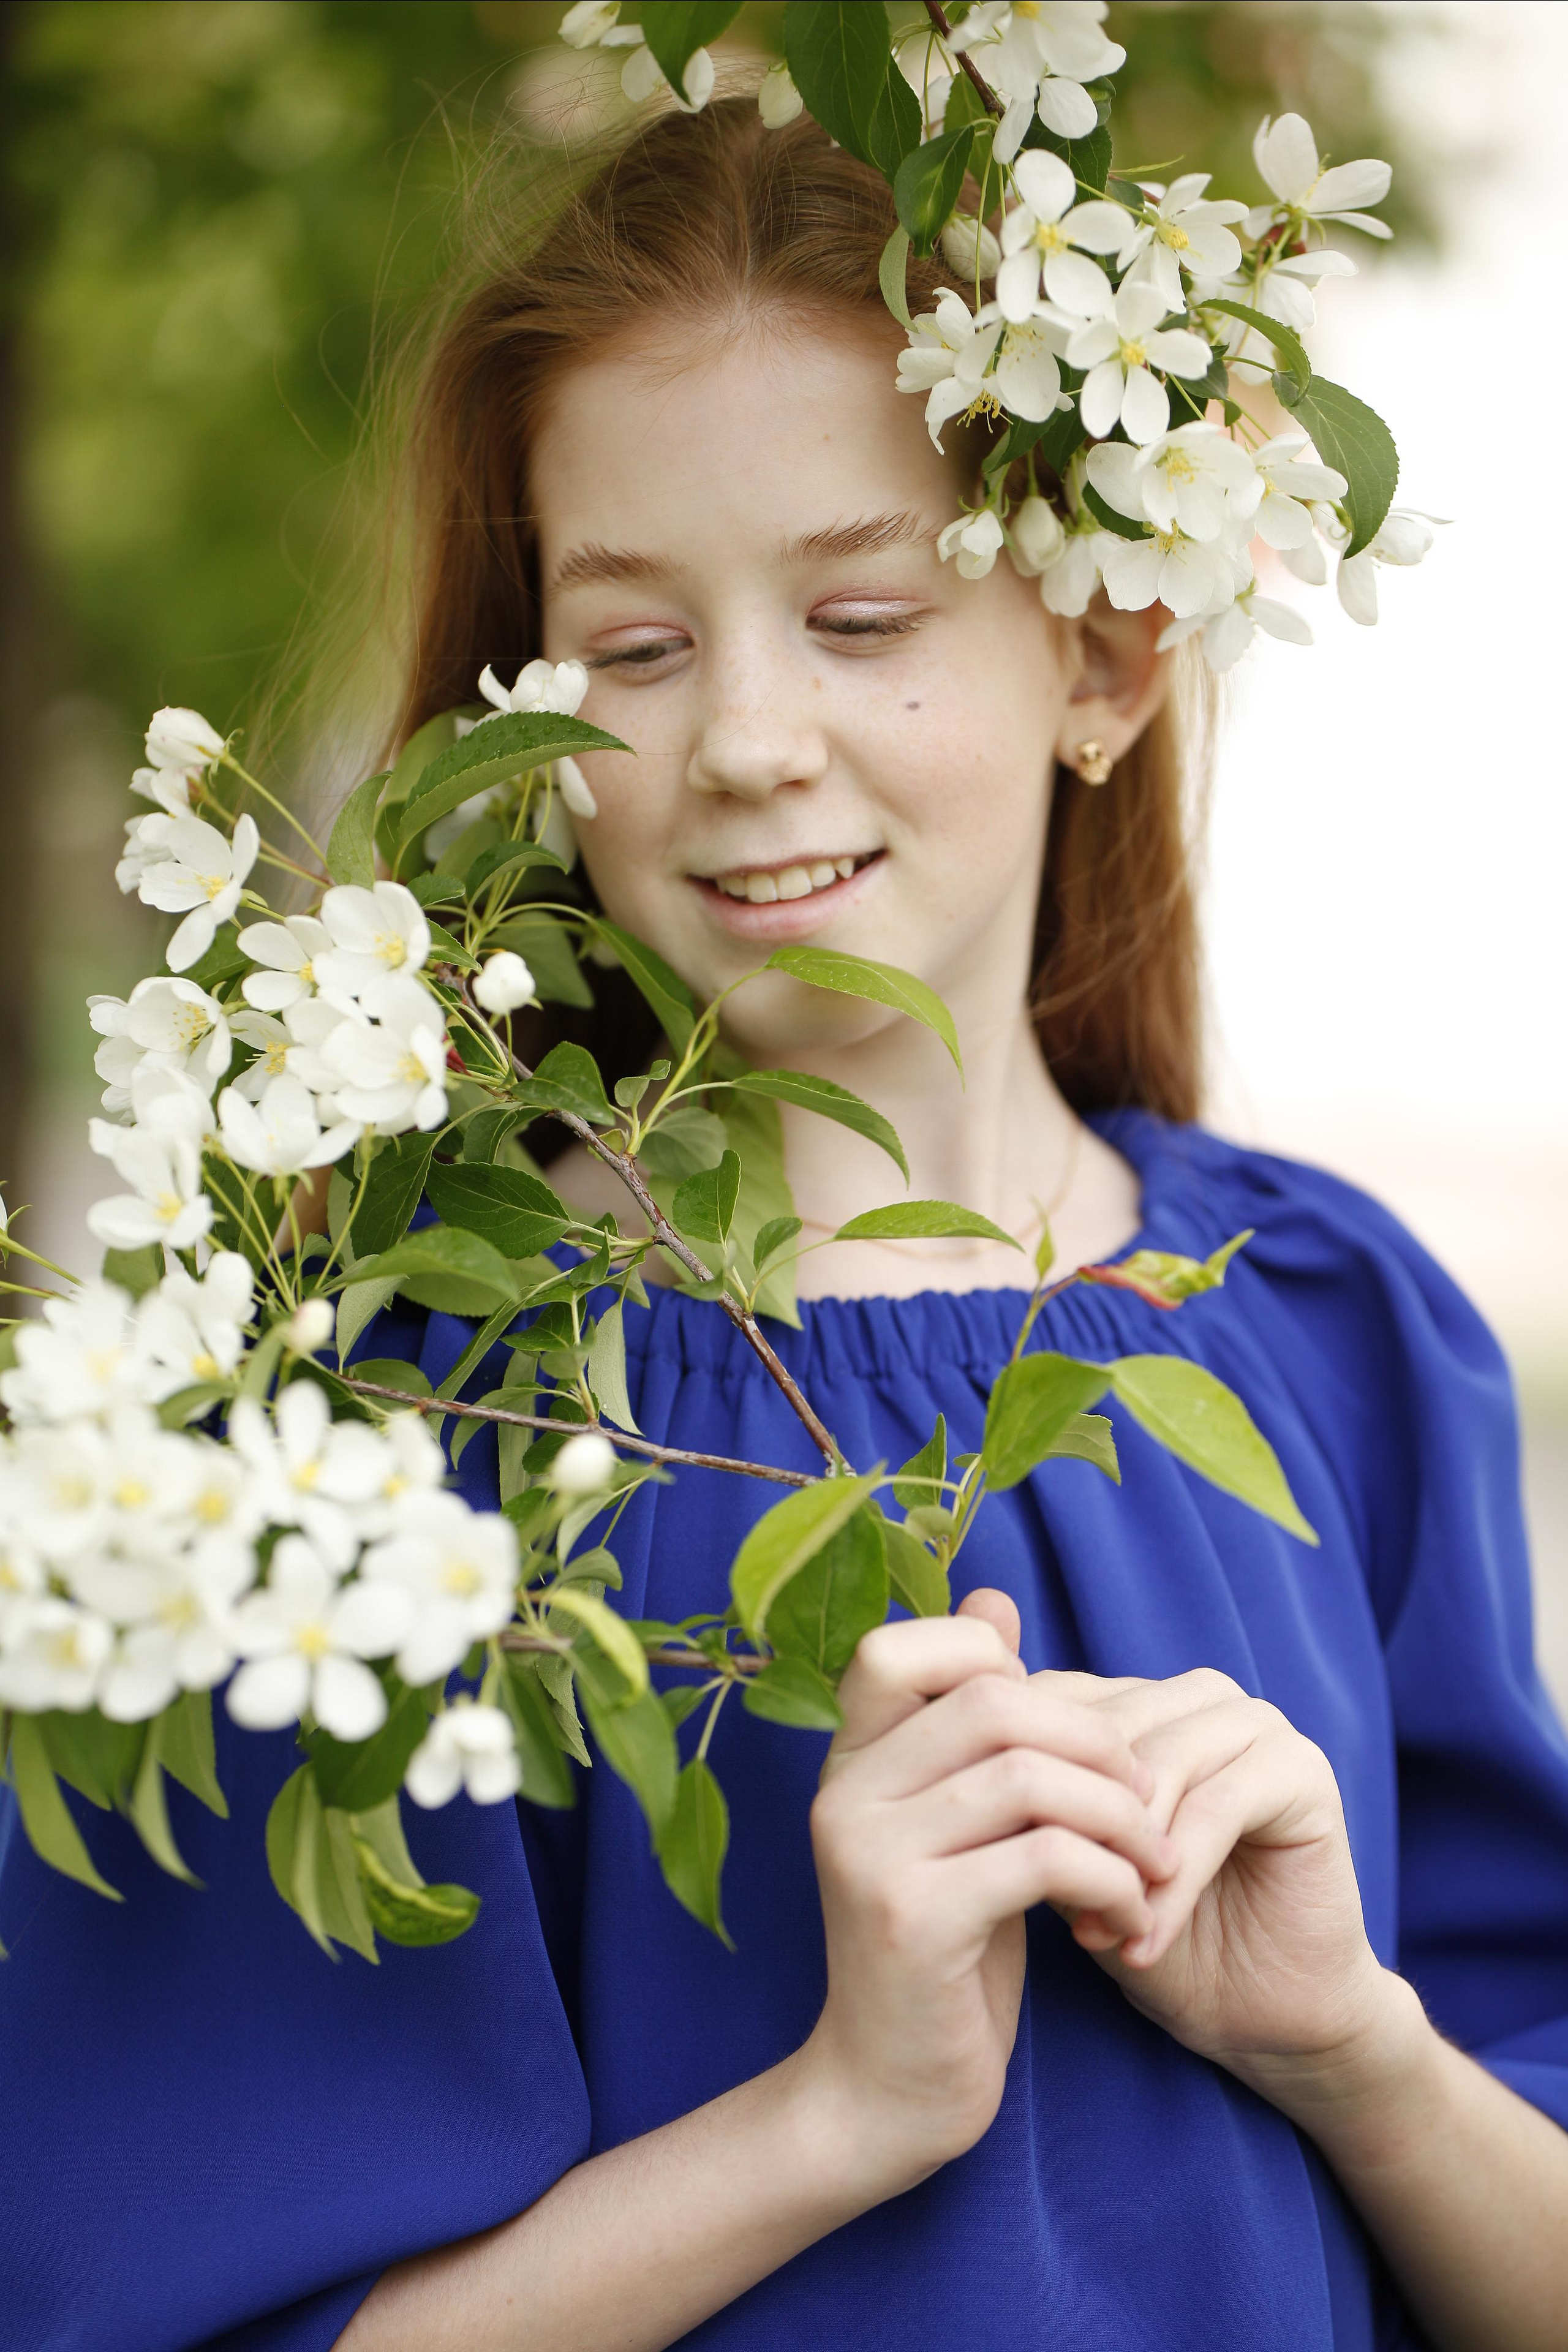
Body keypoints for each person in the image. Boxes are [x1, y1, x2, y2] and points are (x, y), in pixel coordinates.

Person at [5, 94, 1568, 2352]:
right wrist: (838, 2114)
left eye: (861, 612)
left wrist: (1356, 2050)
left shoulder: (1332, 1332)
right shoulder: (373, 1441)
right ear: (516, 727)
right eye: (632, 652)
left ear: (1110, 661)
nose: (748, 736)